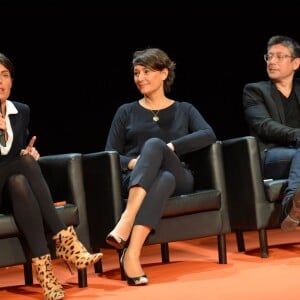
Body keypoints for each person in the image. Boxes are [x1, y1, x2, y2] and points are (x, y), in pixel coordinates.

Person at [104, 47, 217, 286]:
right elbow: (110, 155)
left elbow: (208, 134)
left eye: (146, 72)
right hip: (138, 177)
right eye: (136, 73)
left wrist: (171, 147)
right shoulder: (126, 111)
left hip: (181, 175)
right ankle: (132, 254)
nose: (140, 78)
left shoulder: (184, 109)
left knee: (156, 146)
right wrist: (136, 161)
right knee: (163, 177)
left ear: (164, 73)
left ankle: (128, 218)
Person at [0, 52, 103, 300]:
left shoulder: (21, 111)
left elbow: (14, 155)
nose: (0, 82)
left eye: (4, 75)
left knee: (20, 181)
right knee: (22, 168)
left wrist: (27, 154)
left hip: (10, 189)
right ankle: (65, 241)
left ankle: (47, 278)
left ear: (12, 81)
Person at [243, 35, 300, 232]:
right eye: (269, 57)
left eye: (279, 56)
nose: (272, 61)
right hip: (271, 155)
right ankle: (291, 203)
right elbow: (265, 126)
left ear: (295, 63)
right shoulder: (255, 91)